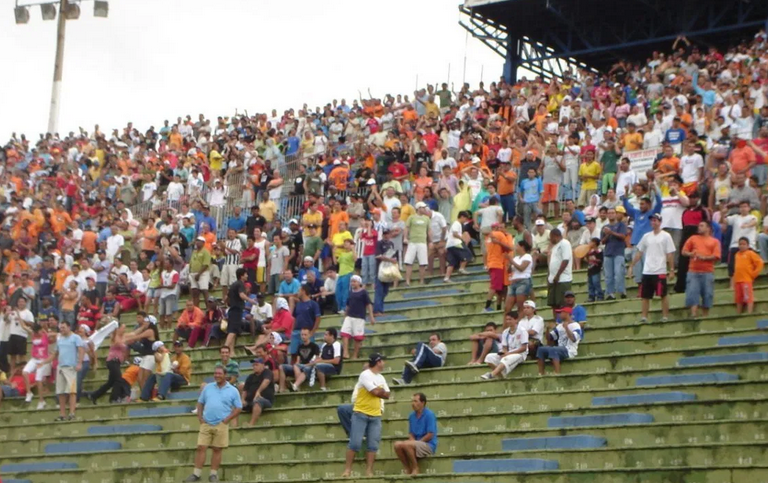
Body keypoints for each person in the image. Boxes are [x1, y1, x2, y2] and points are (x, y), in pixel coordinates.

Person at [185, 366, 242, 483]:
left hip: (221, 424)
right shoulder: (208, 388)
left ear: (225, 375)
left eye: (219, 373)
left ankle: (213, 474)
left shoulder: (233, 390)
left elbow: (238, 408)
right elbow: (200, 403)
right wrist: (200, 417)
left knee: (217, 449)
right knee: (201, 447)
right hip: (206, 423)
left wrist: (227, 420)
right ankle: (196, 474)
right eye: (215, 373)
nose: (217, 375)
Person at [342, 353, 390, 478]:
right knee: (355, 443)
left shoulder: (381, 377)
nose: (384, 363)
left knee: (373, 445)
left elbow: (387, 394)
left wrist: (378, 392)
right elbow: (374, 392)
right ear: (378, 362)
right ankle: (347, 470)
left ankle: (369, 471)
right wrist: (379, 391)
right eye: (382, 361)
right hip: (361, 413)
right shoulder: (365, 374)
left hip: (376, 414)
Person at [632, 214, 676, 323]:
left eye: (655, 220)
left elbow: (670, 254)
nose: (653, 222)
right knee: (645, 295)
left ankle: (665, 316)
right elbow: (639, 252)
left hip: (660, 269)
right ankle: (644, 316)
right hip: (647, 270)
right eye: (652, 220)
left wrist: (671, 270)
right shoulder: (646, 236)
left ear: (660, 222)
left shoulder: (666, 236)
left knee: (663, 294)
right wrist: (632, 265)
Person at [42, 321, 85, 421]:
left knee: (71, 391)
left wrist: (79, 363)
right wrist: (44, 362)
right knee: (60, 392)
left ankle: (72, 413)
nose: (61, 330)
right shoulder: (60, 339)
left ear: (69, 327)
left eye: (63, 327)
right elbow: (55, 353)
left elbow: (81, 350)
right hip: (60, 367)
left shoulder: (76, 338)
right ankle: (62, 414)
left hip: (71, 367)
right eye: (60, 328)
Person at [681, 221, 721, 317]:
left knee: (707, 294)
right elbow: (683, 251)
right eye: (699, 225)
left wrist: (705, 258)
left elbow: (716, 256)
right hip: (693, 270)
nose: (699, 227)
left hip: (707, 271)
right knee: (692, 293)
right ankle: (693, 314)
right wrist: (690, 254)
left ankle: (705, 316)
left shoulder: (714, 241)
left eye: (702, 226)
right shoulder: (693, 238)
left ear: (708, 228)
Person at [393, 393, 438, 476]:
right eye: (412, 401)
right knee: (397, 445)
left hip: (428, 444)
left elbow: (430, 434)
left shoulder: (429, 415)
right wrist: (413, 442)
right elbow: (411, 433)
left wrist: (416, 443)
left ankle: (415, 468)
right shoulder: (411, 416)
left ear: (422, 403)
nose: (413, 403)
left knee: (407, 444)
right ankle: (407, 468)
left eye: (415, 401)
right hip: (416, 442)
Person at [480, 311, 529, 380]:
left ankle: (491, 374)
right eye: (507, 319)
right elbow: (504, 347)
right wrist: (504, 353)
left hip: (520, 354)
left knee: (506, 359)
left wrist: (508, 354)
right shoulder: (505, 332)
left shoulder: (522, 330)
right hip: (509, 353)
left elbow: (524, 348)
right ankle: (501, 376)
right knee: (489, 357)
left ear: (516, 320)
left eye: (510, 319)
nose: (508, 321)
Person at [537, 306, 583, 375]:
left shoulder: (575, 325)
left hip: (570, 350)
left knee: (554, 349)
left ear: (567, 313)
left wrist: (566, 328)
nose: (559, 315)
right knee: (541, 349)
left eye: (561, 312)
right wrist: (547, 329)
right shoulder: (560, 326)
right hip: (560, 348)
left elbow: (574, 339)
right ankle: (541, 373)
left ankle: (557, 373)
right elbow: (550, 338)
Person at [278, 327, 320, 392]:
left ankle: (297, 387)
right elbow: (298, 360)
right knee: (282, 367)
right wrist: (298, 364)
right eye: (302, 335)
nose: (303, 336)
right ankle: (281, 389)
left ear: (309, 335)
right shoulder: (300, 346)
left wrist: (306, 365)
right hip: (300, 366)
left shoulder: (314, 346)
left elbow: (316, 360)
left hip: (310, 366)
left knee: (298, 366)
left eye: (305, 335)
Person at [601, 207, 628, 299]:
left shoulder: (621, 225)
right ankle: (610, 293)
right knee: (608, 275)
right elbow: (603, 241)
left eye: (613, 213)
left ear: (616, 214)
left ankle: (621, 291)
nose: (611, 214)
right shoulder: (604, 227)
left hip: (618, 252)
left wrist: (611, 232)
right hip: (608, 252)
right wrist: (608, 234)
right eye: (609, 213)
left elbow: (623, 236)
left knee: (619, 272)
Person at [733, 237, 765, 314]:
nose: (742, 246)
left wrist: (754, 274)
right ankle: (738, 313)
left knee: (748, 297)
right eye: (740, 244)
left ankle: (749, 312)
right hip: (738, 280)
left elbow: (760, 263)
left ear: (747, 245)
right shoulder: (737, 254)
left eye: (744, 244)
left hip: (746, 279)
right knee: (738, 298)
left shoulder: (750, 253)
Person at [240, 357, 275, 426]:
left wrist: (258, 391)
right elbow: (245, 390)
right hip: (250, 401)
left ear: (263, 365)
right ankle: (234, 427)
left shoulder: (267, 372)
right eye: (253, 365)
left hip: (265, 400)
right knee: (236, 405)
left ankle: (251, 424)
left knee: (258, 401)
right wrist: (243, 399)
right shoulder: (250, 376)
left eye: (256, 365)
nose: (254, 367)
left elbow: (266, 381)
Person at [547, 228, 573, 316]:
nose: (550, 240)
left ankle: (563, 322)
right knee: (554, 304)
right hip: (553, 279)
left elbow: (565, 260)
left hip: (562, 279)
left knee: (562, 303)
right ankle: (557, 323)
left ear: (556, 236)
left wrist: (558, 275)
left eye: (551, 237)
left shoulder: (565, 244)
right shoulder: (554, 246)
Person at [403, 202, 431, 285]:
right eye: (422, 207)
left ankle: (422, 281)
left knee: (422, 262)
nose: (424, 209)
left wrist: (431, 241)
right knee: (409, 262)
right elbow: (407, 228)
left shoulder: (427, 218)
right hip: (412, 242)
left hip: (422, 242)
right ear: (418, 208)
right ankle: (407, 281)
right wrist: (405, 237)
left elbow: (429, 231)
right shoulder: (411, 217)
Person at [224, 268, 249, 354]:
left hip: (232, 310)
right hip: (237, 310)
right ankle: (225, 349)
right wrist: (250, 300)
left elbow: (226, 298)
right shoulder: (240, 284)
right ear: (242, 276)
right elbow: (241, 295)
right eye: (246, 274)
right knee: (233, 331)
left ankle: (232, 352)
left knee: (232, 330)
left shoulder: (233, 284)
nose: (247, 276)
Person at [443, 211, 471, 283]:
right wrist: (462, 238)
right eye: (465, 219)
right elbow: (455, 233)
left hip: (450, 245)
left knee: (452, 261)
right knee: (467, 253)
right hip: (455, 243)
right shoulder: (456, 223)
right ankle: (461, 268)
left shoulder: (457, 224)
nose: (465, 221)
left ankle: (447, 277)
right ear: (462, 217)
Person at [585, 237, 604, 302]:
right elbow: (587, 260)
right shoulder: (590, 252)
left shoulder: (599, 251)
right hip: (590, 270)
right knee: (590, 284)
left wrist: (595, 260)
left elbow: (601, 260)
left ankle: (600, 295)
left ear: (595, 243)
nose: (590, 243)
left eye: (591, 242)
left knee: (596, 283)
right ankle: (591, 296)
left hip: (596, 270)